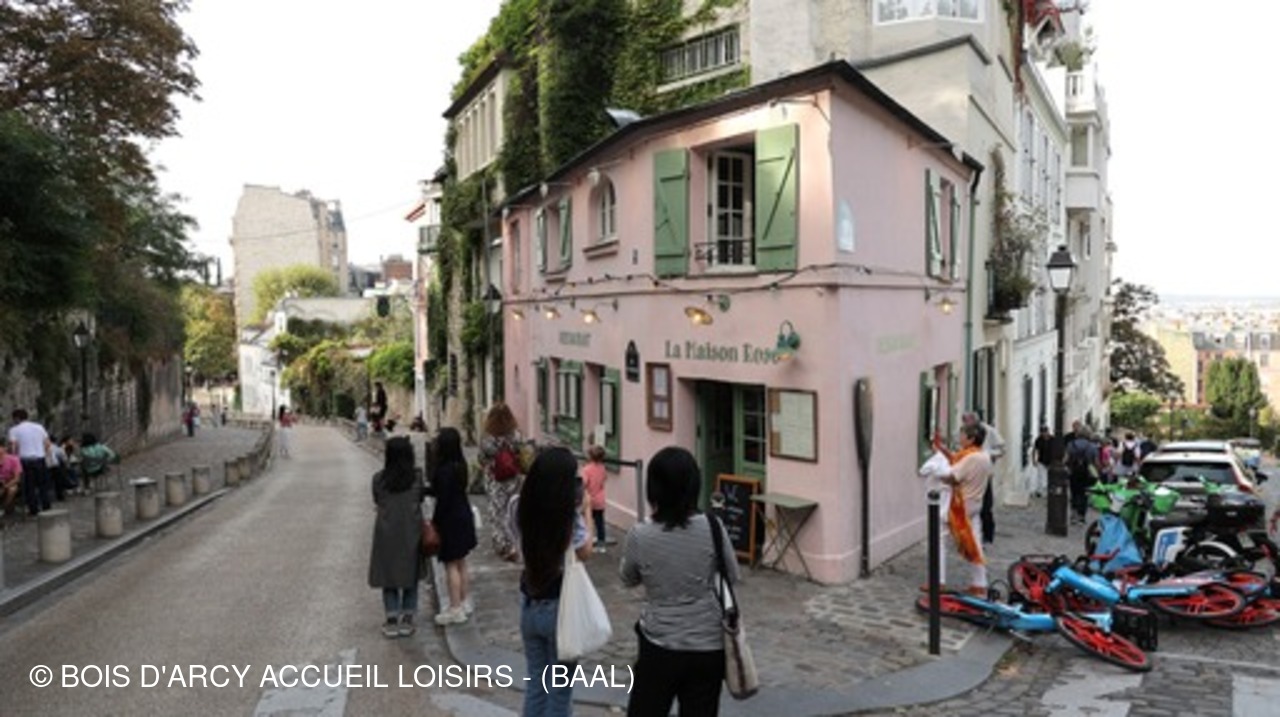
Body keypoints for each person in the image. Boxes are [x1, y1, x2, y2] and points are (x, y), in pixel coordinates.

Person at [621, 446, 735, 716]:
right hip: (707, 645)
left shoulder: (640, 534)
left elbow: (627, 577)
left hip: (659, 643)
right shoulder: (713, 527)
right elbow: (731, 574)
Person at [516, 446, 592, 717]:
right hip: (561, 608)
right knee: (559, 691)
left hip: (529, 602)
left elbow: (515, 549)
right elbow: (585, 552)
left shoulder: (521, 506)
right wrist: (586, 511)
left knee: (537, 684)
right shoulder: (567, 515)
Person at [368, 436, 426, 638]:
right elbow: (420, 498)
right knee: (411, 573)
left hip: (386, 530)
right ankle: (408, 618)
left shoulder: (379, 479)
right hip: (411, 529)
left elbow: (377, 499)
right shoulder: (416, 478)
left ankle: (392, 618)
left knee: (388, 574)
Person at [934, 423, 993, 597]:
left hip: (961, 505)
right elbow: (957, 461)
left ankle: (938, 580)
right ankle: (979, 583)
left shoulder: (970, 458)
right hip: (976, 503)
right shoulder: (984, 456)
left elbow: (953, 476)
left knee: (939, 538)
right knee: (975, 543)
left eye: (962, 435)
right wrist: (944, 451)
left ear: (971, 439)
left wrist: (937, 472)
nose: (960, 439)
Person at [429, 427, 478, 626]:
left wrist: (435, 521)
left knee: (450, 564)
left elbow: (442, 500)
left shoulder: (443, 470)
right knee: (461, 562)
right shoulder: (461, 465)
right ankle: (465, 602)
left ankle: (455, 608)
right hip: (463, 514)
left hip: (450, 519)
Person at [479, 402, 524, 561]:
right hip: (513, 478)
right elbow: (521, 453)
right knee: (513, 510)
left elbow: (482, 458)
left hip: (495, 480)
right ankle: (515, 542)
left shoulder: (487, 438)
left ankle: (503, 545)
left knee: (497, 512)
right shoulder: (515, 435)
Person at [962, 411, 1003, 545]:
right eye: (964, 422)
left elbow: (1001, 449)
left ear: (975, 421)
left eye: (968, 422)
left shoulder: (989, 431)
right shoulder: (964, 432)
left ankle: (987, 534)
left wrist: (987, 454)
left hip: (984, 473)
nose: (966, 424)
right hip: (968, 473)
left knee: (985, 505)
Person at [9, 408, 53, 516]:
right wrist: (44, 454)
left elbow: (14, 447)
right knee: (42, 484)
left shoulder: (14, 430)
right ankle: (46, 505)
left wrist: (14, 459)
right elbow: (47, 443)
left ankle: (33, 508)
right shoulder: (39, 427)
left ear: (16, 418)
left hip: (25, 459)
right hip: (40, 458)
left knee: (29, 486)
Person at [1065, 424, 1100, 525]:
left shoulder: (1071, 444)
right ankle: (1081, 516)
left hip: (1073, 472)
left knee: (1074, 493)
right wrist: (1097, 471)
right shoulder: (1092, 447)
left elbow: (1066, 459)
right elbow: (1096, 462)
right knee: (1084, 495)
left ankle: (1073, 514)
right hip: (1087, 474)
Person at [582, 444, 613, 551]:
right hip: (600, 500)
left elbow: (584, 483)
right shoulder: (602, 468)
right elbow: (604, 479)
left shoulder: (586, 469)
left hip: (589, 500)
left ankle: (587, 543)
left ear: (590, 456)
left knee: (587, 522)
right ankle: (601, 545)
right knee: (600, 523)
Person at [1029, 425, 1054, 498]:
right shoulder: (1038, 440)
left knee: (1049, 477)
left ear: (1048, 432)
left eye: (1045, 432)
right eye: (1042, 432)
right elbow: (1034, 450)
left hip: (1051, 461)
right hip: (1041, 460)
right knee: (1041, 476)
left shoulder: (1053, 439)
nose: (1044, 434)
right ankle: (1041, 491)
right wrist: (1034, 460)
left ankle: (1047, 491)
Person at [0, 443, 22, 516]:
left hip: (11, 482)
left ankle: (3, 508)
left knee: (12, 490)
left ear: (4, 448)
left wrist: (6, 485)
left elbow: (17, 478)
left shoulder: (13, 459)